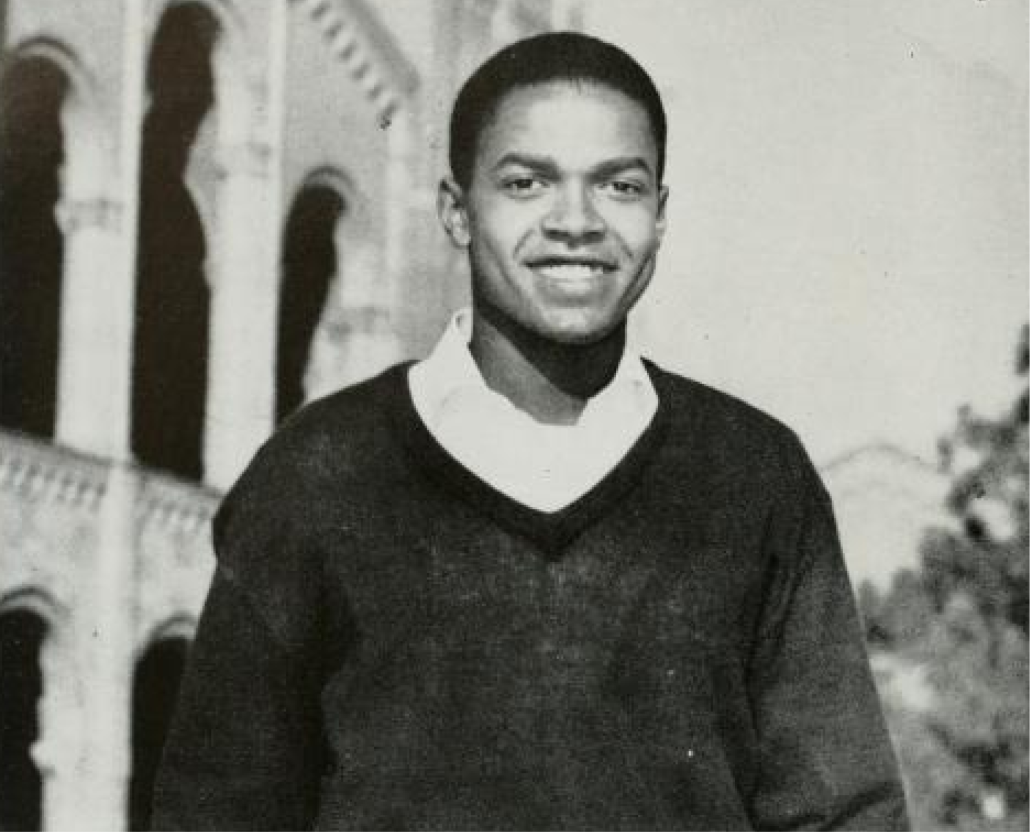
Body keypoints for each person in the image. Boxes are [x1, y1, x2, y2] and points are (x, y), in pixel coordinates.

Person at [151, 31, 909, 832]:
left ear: (659, 214)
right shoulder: (320, 474)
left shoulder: (755, 478)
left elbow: (844, 814)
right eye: (527, 183)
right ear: (456, 211)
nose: (575, 222)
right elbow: (217, 810)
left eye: (618, 185)